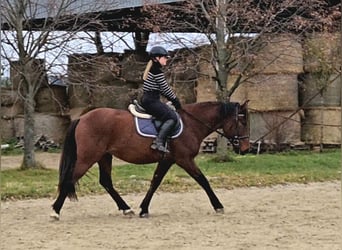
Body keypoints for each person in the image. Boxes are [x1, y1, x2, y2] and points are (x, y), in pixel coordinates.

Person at [141, 46, 182, 153]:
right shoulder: (156, 71)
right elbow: (165, 88)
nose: (166, 59)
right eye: (164, 57)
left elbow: (162, 90)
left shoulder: (154, 70)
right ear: (156, 59)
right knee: (172, 117)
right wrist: (175, 100)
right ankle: (158, 142)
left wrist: (172, 99)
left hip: (151, 99)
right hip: (151, 101)